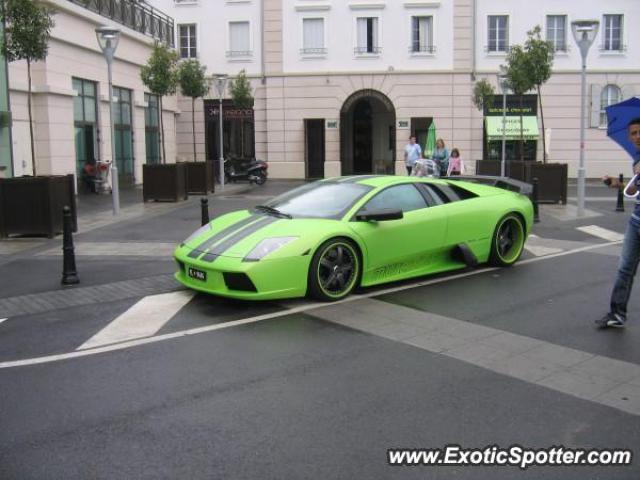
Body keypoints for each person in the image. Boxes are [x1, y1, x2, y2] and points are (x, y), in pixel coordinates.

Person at [597, 117, 640, 328]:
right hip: (636, 222)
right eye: (633, 133)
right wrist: (617, 183)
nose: (638, 136)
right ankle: (617, 314)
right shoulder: (637, 160)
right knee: (625, 269)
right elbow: (632, 190)